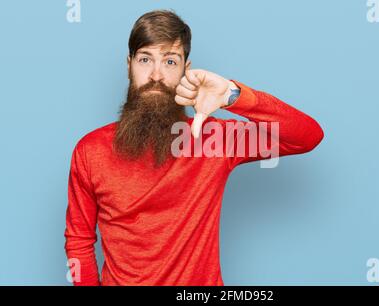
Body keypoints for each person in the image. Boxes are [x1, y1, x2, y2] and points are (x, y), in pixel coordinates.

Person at [64, 9, 324, 286]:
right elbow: (79, 240)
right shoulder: (90, 151)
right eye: (144, 59)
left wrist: (232, 95)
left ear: (186, 70)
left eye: (170, 61)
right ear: (128, 65)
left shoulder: (214, 140)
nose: (156, 74)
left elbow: (307, 136)